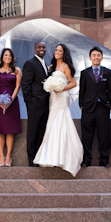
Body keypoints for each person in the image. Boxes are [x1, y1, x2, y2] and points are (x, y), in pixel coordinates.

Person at [33, 44, 83, 176]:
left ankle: (65, 156)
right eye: (56, 50)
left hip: (62, 97)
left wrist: (61, 88)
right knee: (52, 124)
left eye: (60, 50)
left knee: (61, 123)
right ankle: (52, 156)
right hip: (53, 98)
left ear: (64, 53)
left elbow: (73, 83)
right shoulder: (52, 66)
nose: (57, 52)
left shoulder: (65, 66)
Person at [79, 46, 111, 167]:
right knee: (87, 135)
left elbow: (110, 90)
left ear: (102, 57)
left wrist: (109, 105)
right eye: (94, 55)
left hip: (103, 107)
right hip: (88, 108)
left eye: (98, 55)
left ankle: (104, 160)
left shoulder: (108, 72)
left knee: (104, 135)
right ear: (90, 58)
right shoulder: (84, 73)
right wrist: (82, 105)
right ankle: (86, 160)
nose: (96, 57)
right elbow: (81, 91)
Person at [0, 48, 22, 167]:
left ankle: (8, 156)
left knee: (10, 131)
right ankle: (1, 156)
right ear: (2, 57)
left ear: (12, 58)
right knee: (0, 131)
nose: (8, 57)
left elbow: (17, 87)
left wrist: (11, 100)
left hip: (12, 103)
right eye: (5, 55)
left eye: (10, 55)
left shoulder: (17, 70)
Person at [22, 42, 50, 167]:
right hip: (34, 104)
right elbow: (26, 84)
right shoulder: (30, 63)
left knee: (41, 131)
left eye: (43, 47)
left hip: (45, 104)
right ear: (34, 49)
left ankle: (39, 157)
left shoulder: (45, 63)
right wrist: (29, 102)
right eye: (39, 47)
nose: (41, 49)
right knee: (32, 132)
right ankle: (31, 159)